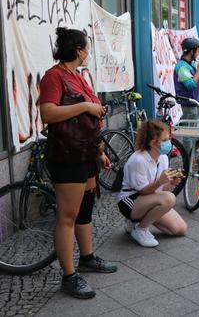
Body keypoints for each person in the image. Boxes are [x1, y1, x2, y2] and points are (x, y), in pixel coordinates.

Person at [39, 27, 117, 299]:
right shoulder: (54, 76)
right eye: (86, 48)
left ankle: (87, 257)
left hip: (87, 153)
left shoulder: (77, 76)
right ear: (77, 50)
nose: (88, 52)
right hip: (66, 155)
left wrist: (100, 151)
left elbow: (88, 124)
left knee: (85, 209)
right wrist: (84, 106)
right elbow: (47, 112)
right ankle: (69, 277)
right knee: (67, 216)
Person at [118, 120, 187, 247]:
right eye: (165, 140)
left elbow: (164, 192)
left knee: (179, 229)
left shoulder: (163, 157)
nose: (169, 143)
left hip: (149, 199)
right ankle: (141, 229)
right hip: (131, 201)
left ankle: (135, 222)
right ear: (152, 142)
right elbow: (143, 191)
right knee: (170, 199)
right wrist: (160, 181)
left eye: (169, 138)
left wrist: (170, 182)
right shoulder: (138, 160)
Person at [174, 38, 199, 121]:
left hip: (196, 104)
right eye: (198, 51)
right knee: (191, 132)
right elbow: (191, 85)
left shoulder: (190, 63)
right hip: (189, 107)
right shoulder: (182, 67)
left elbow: (192, 79)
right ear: (192, 51)